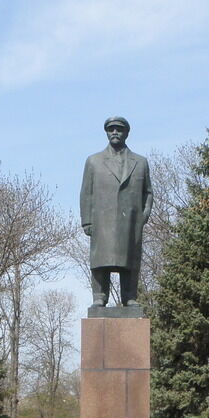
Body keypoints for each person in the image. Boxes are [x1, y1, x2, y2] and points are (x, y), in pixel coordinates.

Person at [80, 116, 153, 308]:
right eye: (111, 129)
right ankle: (99, 296)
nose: (115, 132)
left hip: (130, 222)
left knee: (129, 260)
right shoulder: (93, 161)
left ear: (126, 133)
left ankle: (129, 297)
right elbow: (86, 192)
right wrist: (86, 221)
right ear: (106, 132)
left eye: (119, 129)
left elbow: (148, 193)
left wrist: (144, 215)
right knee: (100, 260)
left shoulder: (140, 162)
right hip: (101, 221)